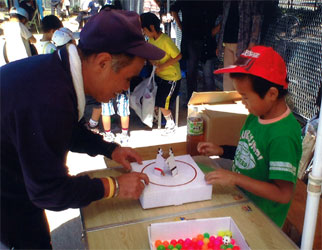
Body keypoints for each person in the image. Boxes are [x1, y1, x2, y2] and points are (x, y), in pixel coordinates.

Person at [1, 9, 165, 248]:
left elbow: (65, 129)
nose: (125, 88)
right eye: (128, 78)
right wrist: (114, 186)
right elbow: (49, 191)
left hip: (17, 175)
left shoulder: (58, 72)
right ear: (103, 62)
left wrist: (110, 149)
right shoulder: (49, 99)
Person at [197, 46, 302, 228]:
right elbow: (251, 154)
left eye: (245, 97)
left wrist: (235, 178)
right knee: (198, 164)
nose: (243, 103)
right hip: (239, 193)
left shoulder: (283, 136)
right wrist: (221, 150)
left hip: (260, 217)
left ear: (271, 94)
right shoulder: (257, 114)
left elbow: (283, 194)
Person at [170, 0, 222, 102]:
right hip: (190, 39)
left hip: (207, 40)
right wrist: (181, 27)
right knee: (191, 72)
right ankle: (191, 102)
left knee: (207, 74)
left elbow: (225, 12)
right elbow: (173, 10)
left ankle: (209, 104)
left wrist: (216, 29)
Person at [140, 12, 182, 135]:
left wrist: (163, 66)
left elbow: (178, 56)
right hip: (160, 77)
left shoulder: (166, 41)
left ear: (152, 27)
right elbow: (149, 55)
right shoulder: (151, 40)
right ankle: (159, 119)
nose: (143, 33)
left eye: (144, 30)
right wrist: (152, 62)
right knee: (154, 100)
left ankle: (171, 125)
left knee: (162, 103)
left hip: (171, 79)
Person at [216, 0, 263, 91]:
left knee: (241, 76)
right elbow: (224, 20)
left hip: (242, 43)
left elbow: (257, 19)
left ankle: (241, 102)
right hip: (227, 42)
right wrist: (219, 44)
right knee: (228, 75)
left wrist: (252, 42)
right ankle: (228, 101)